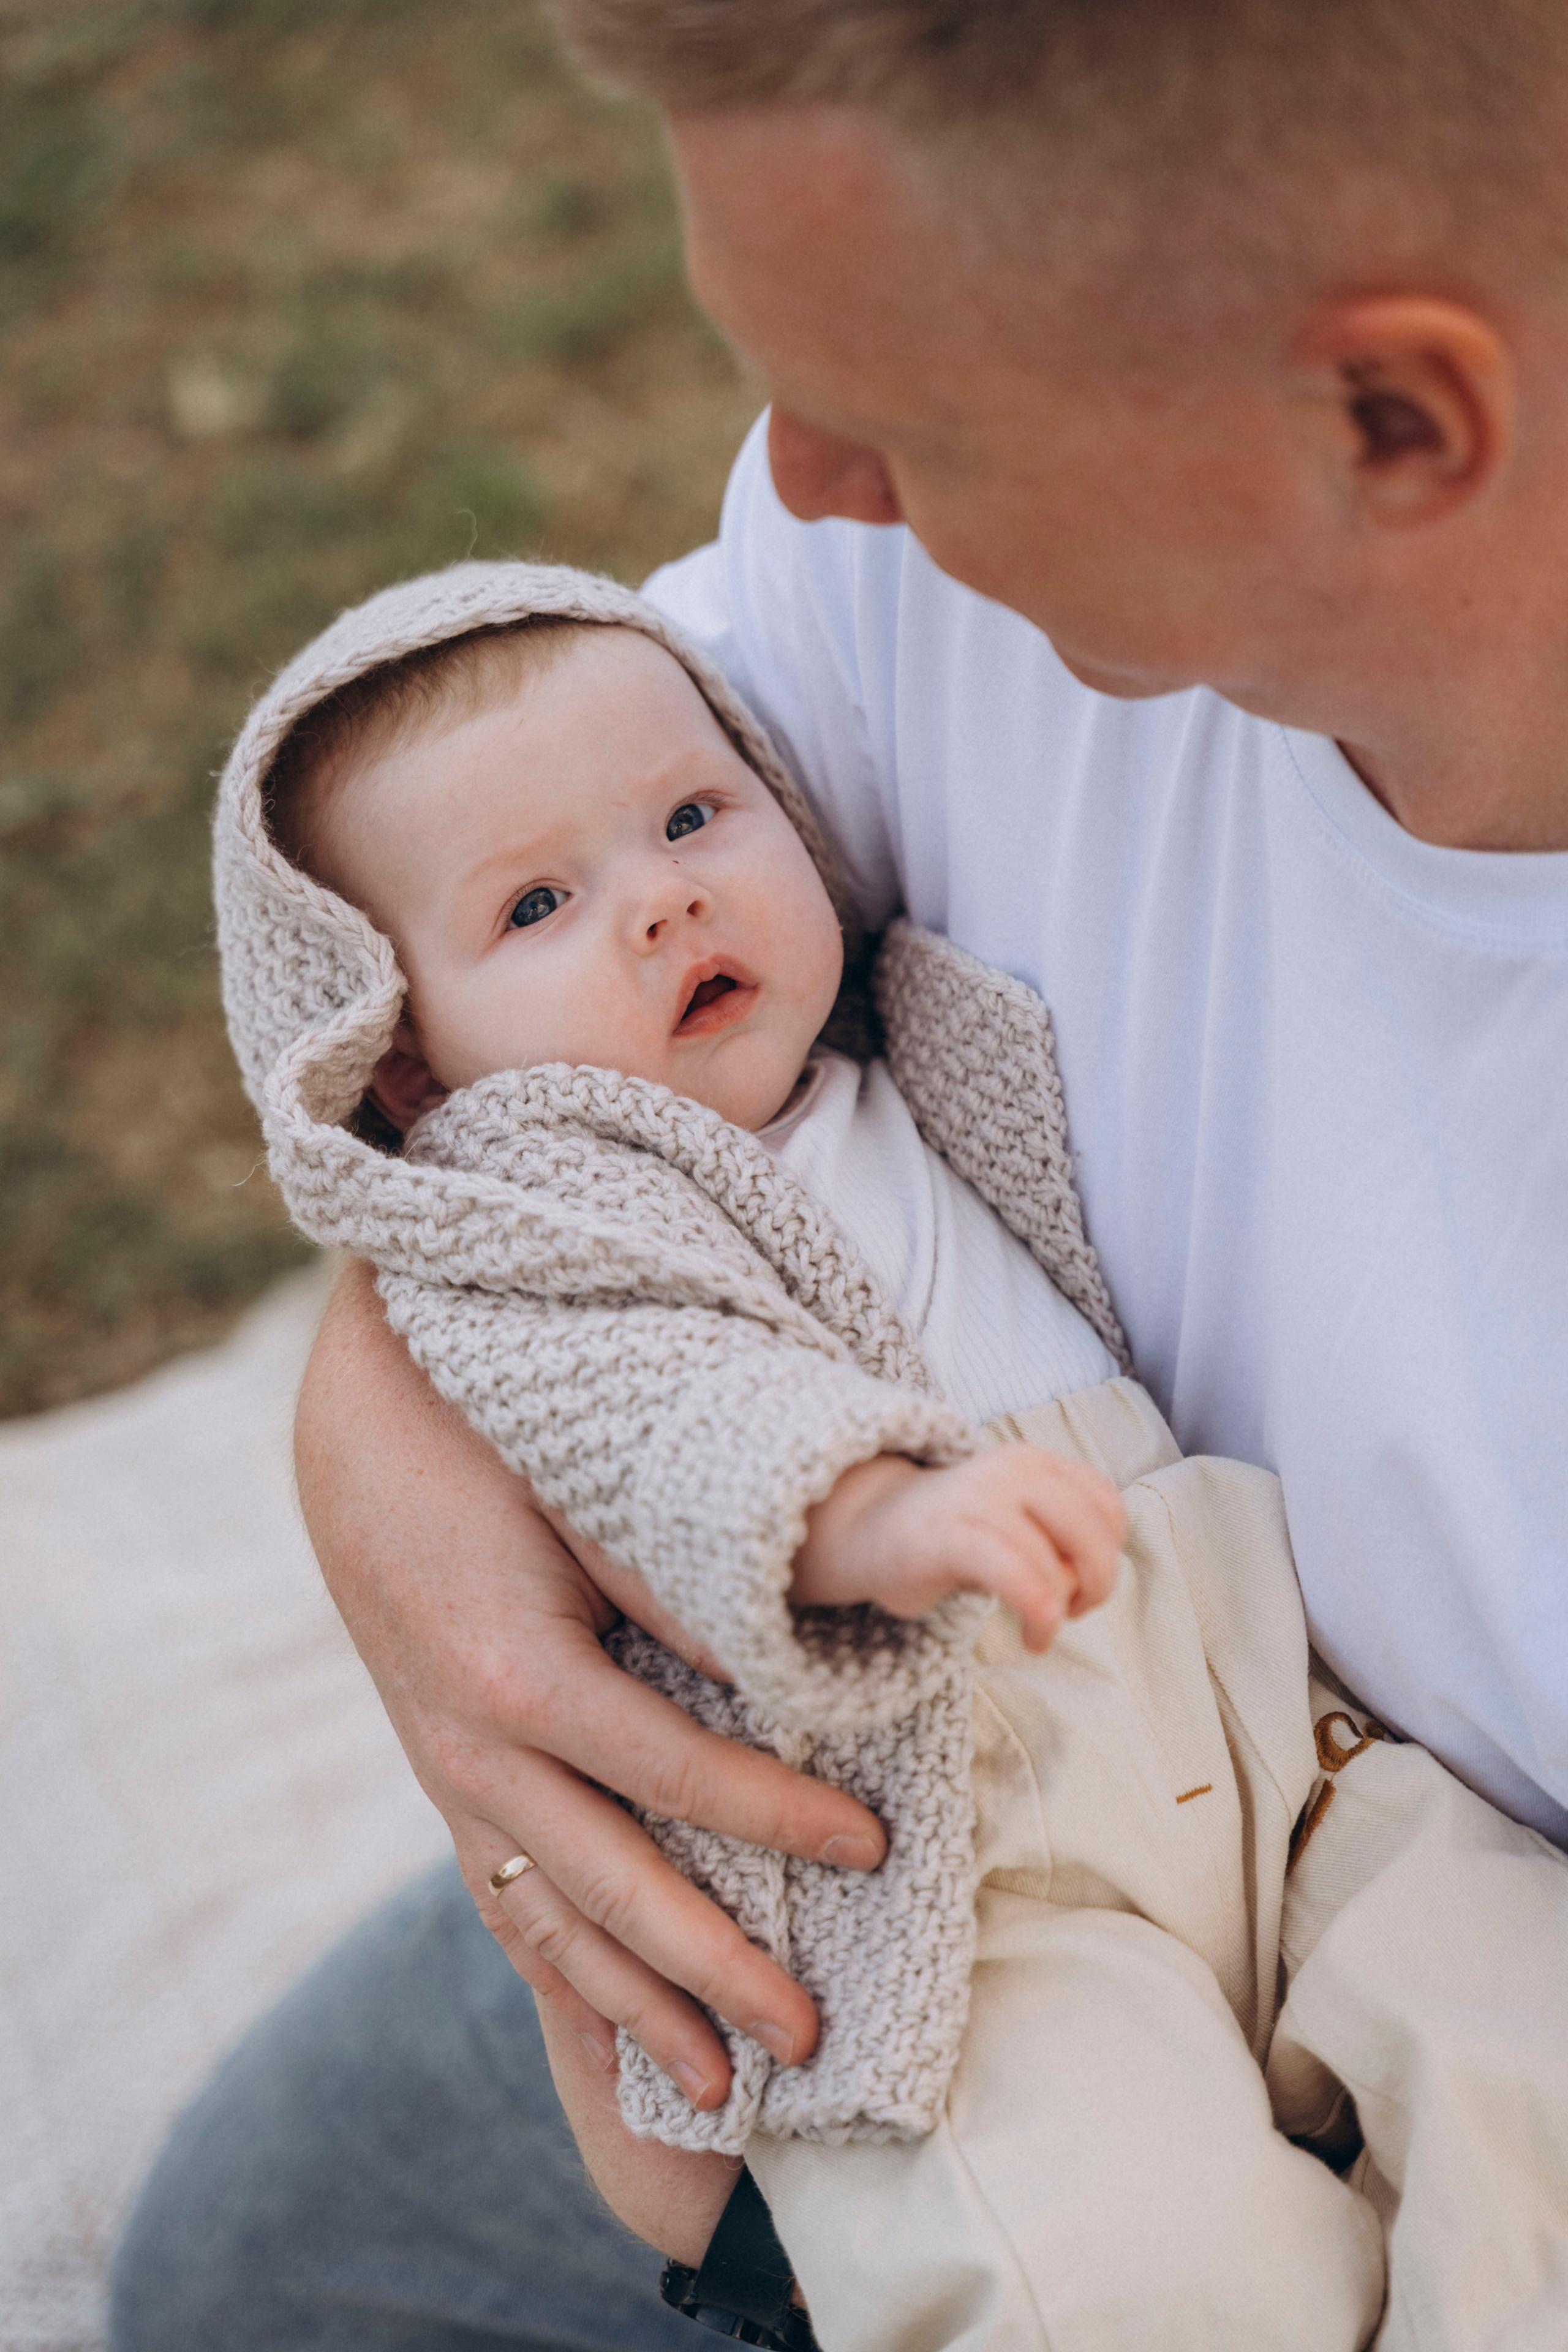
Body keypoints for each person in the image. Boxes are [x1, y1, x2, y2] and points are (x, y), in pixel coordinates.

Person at [113, 1, 1568, 2344]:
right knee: (282, 2252)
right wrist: (401, 1412)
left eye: (917, 415)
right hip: (917, 1859)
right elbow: (475, 1001)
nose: (801, 481)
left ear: (1393, 419)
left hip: (1344, 1800)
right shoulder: (923, 589)